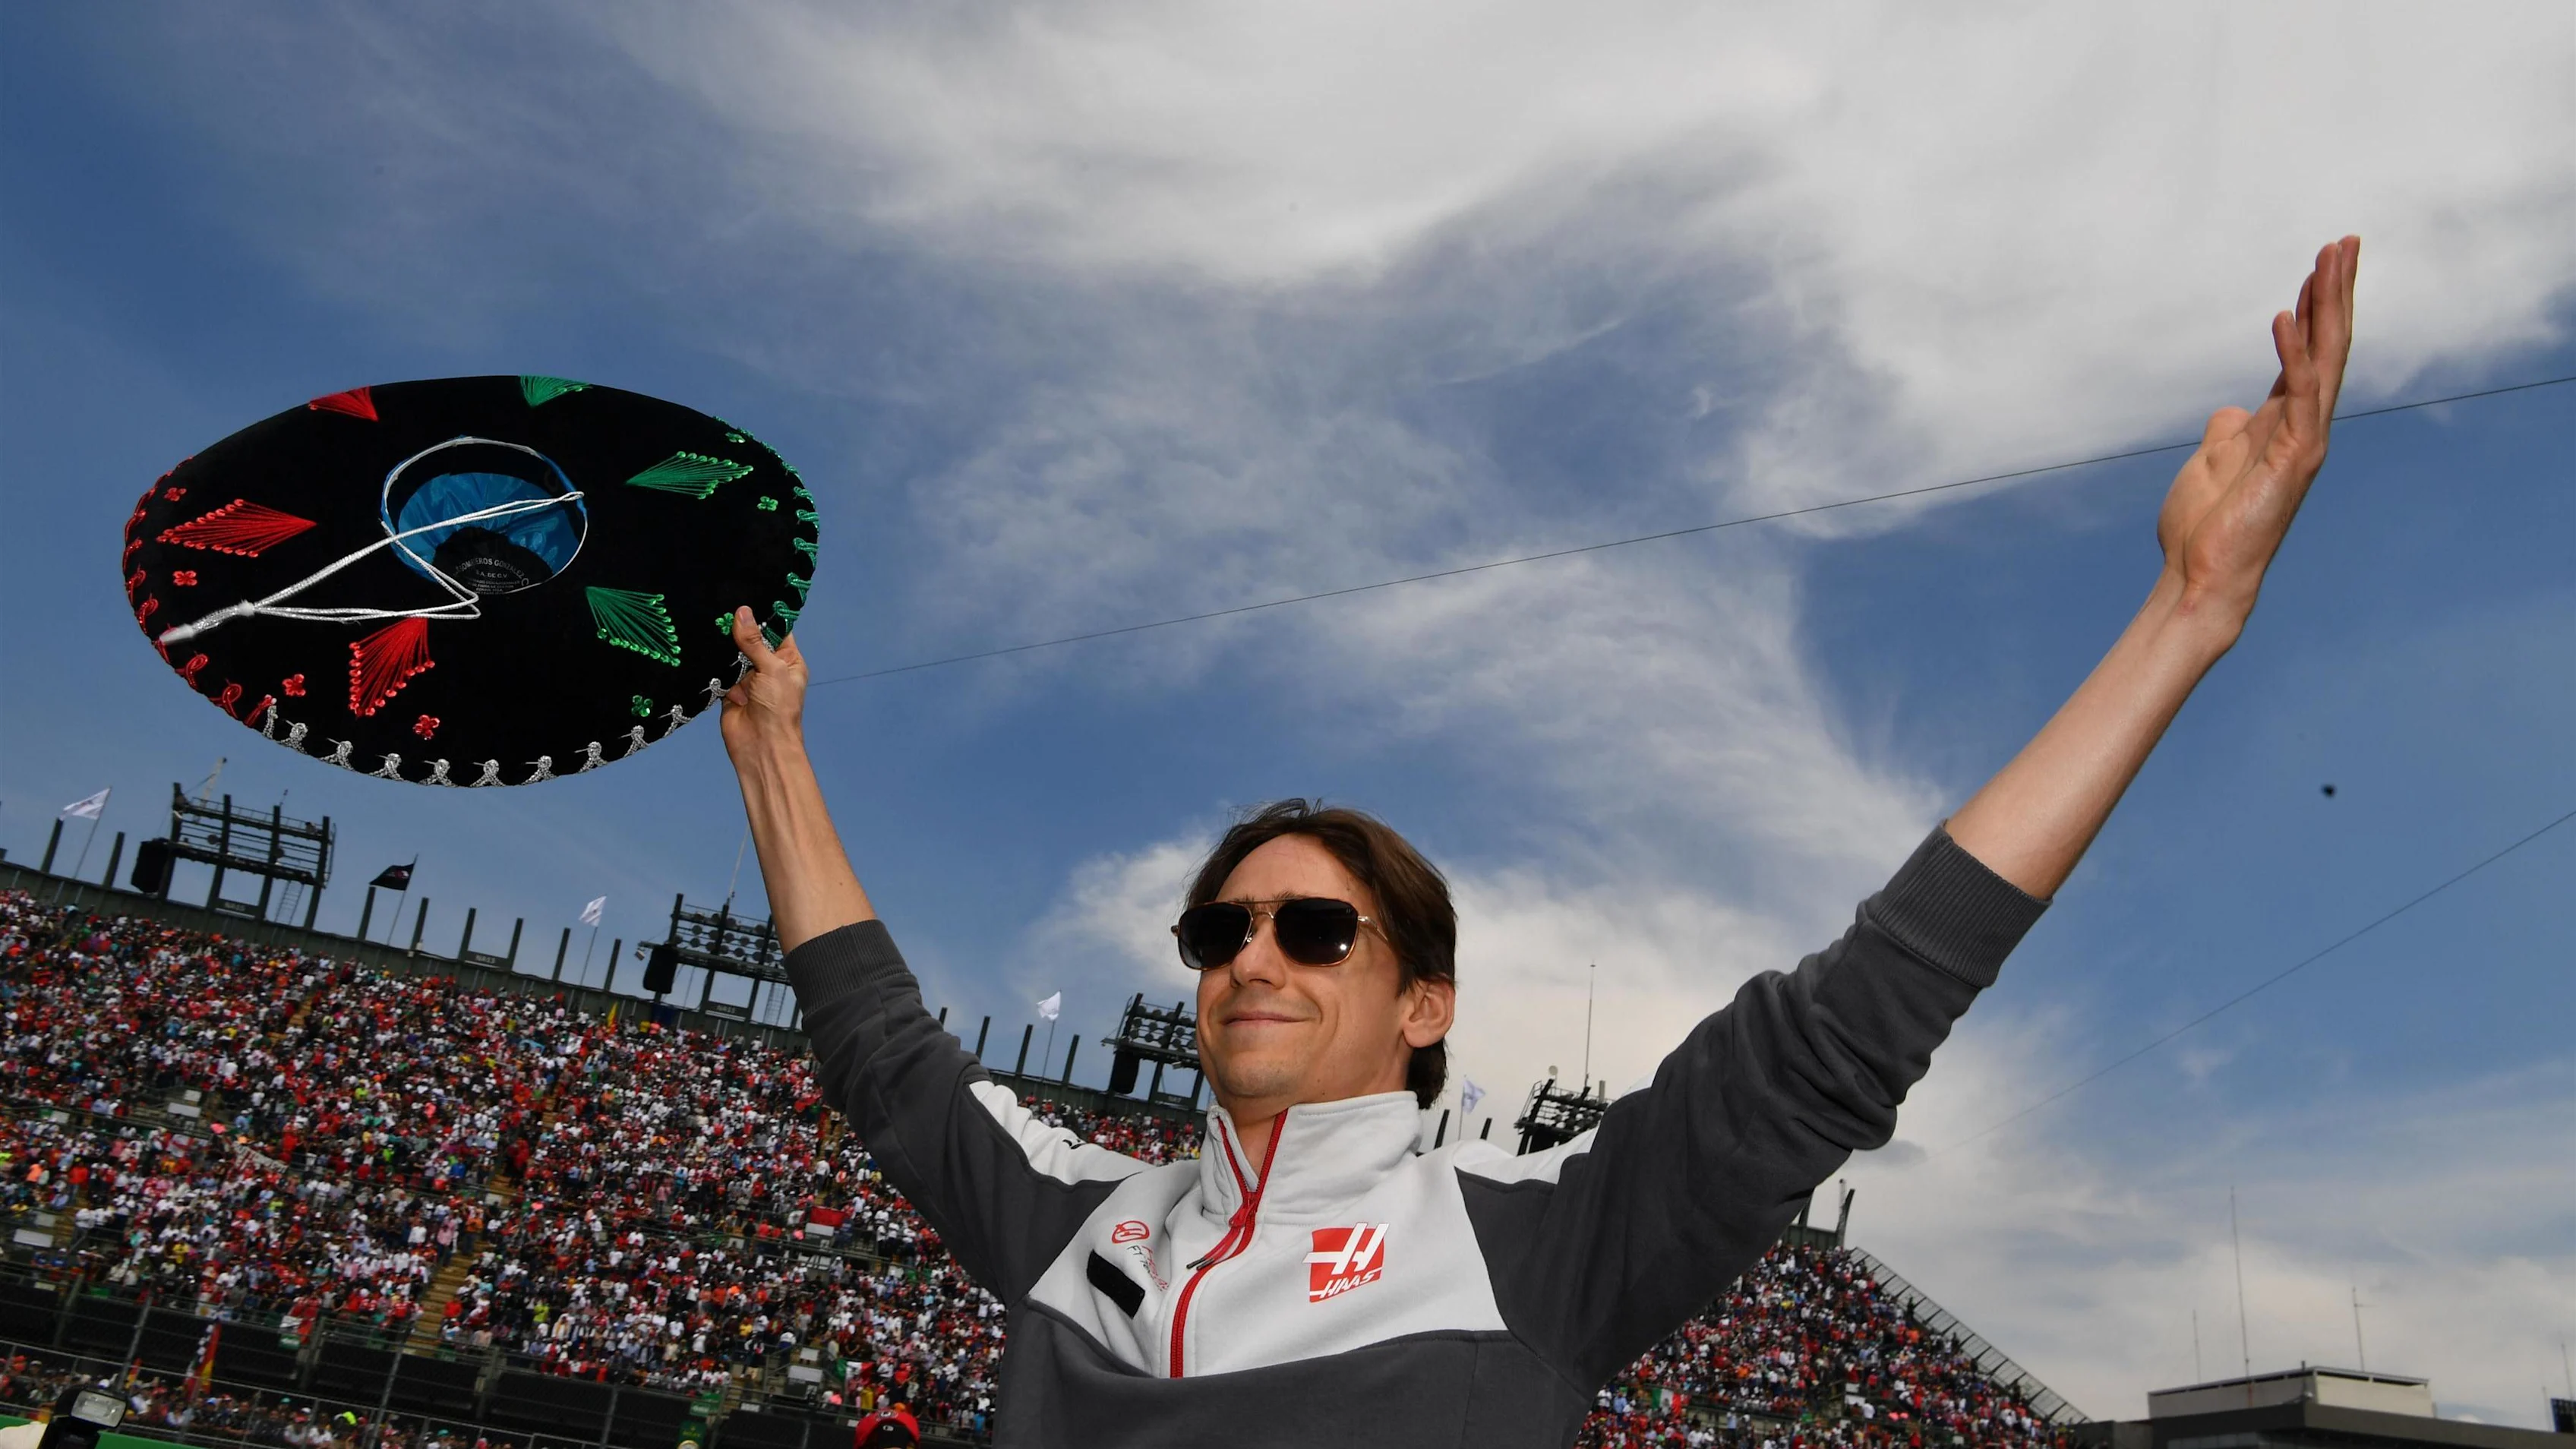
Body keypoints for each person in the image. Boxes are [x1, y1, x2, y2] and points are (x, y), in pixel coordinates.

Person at [719, 239, 2360, 1447]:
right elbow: (879, 1048)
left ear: (1423, 1002)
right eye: (1223, 933)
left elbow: (1849, 1022)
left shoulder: (1535, 1239)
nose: (1253, 960)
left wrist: (2186, 613)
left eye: (1314, 930)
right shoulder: (1080, 1218)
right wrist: (774, 748)